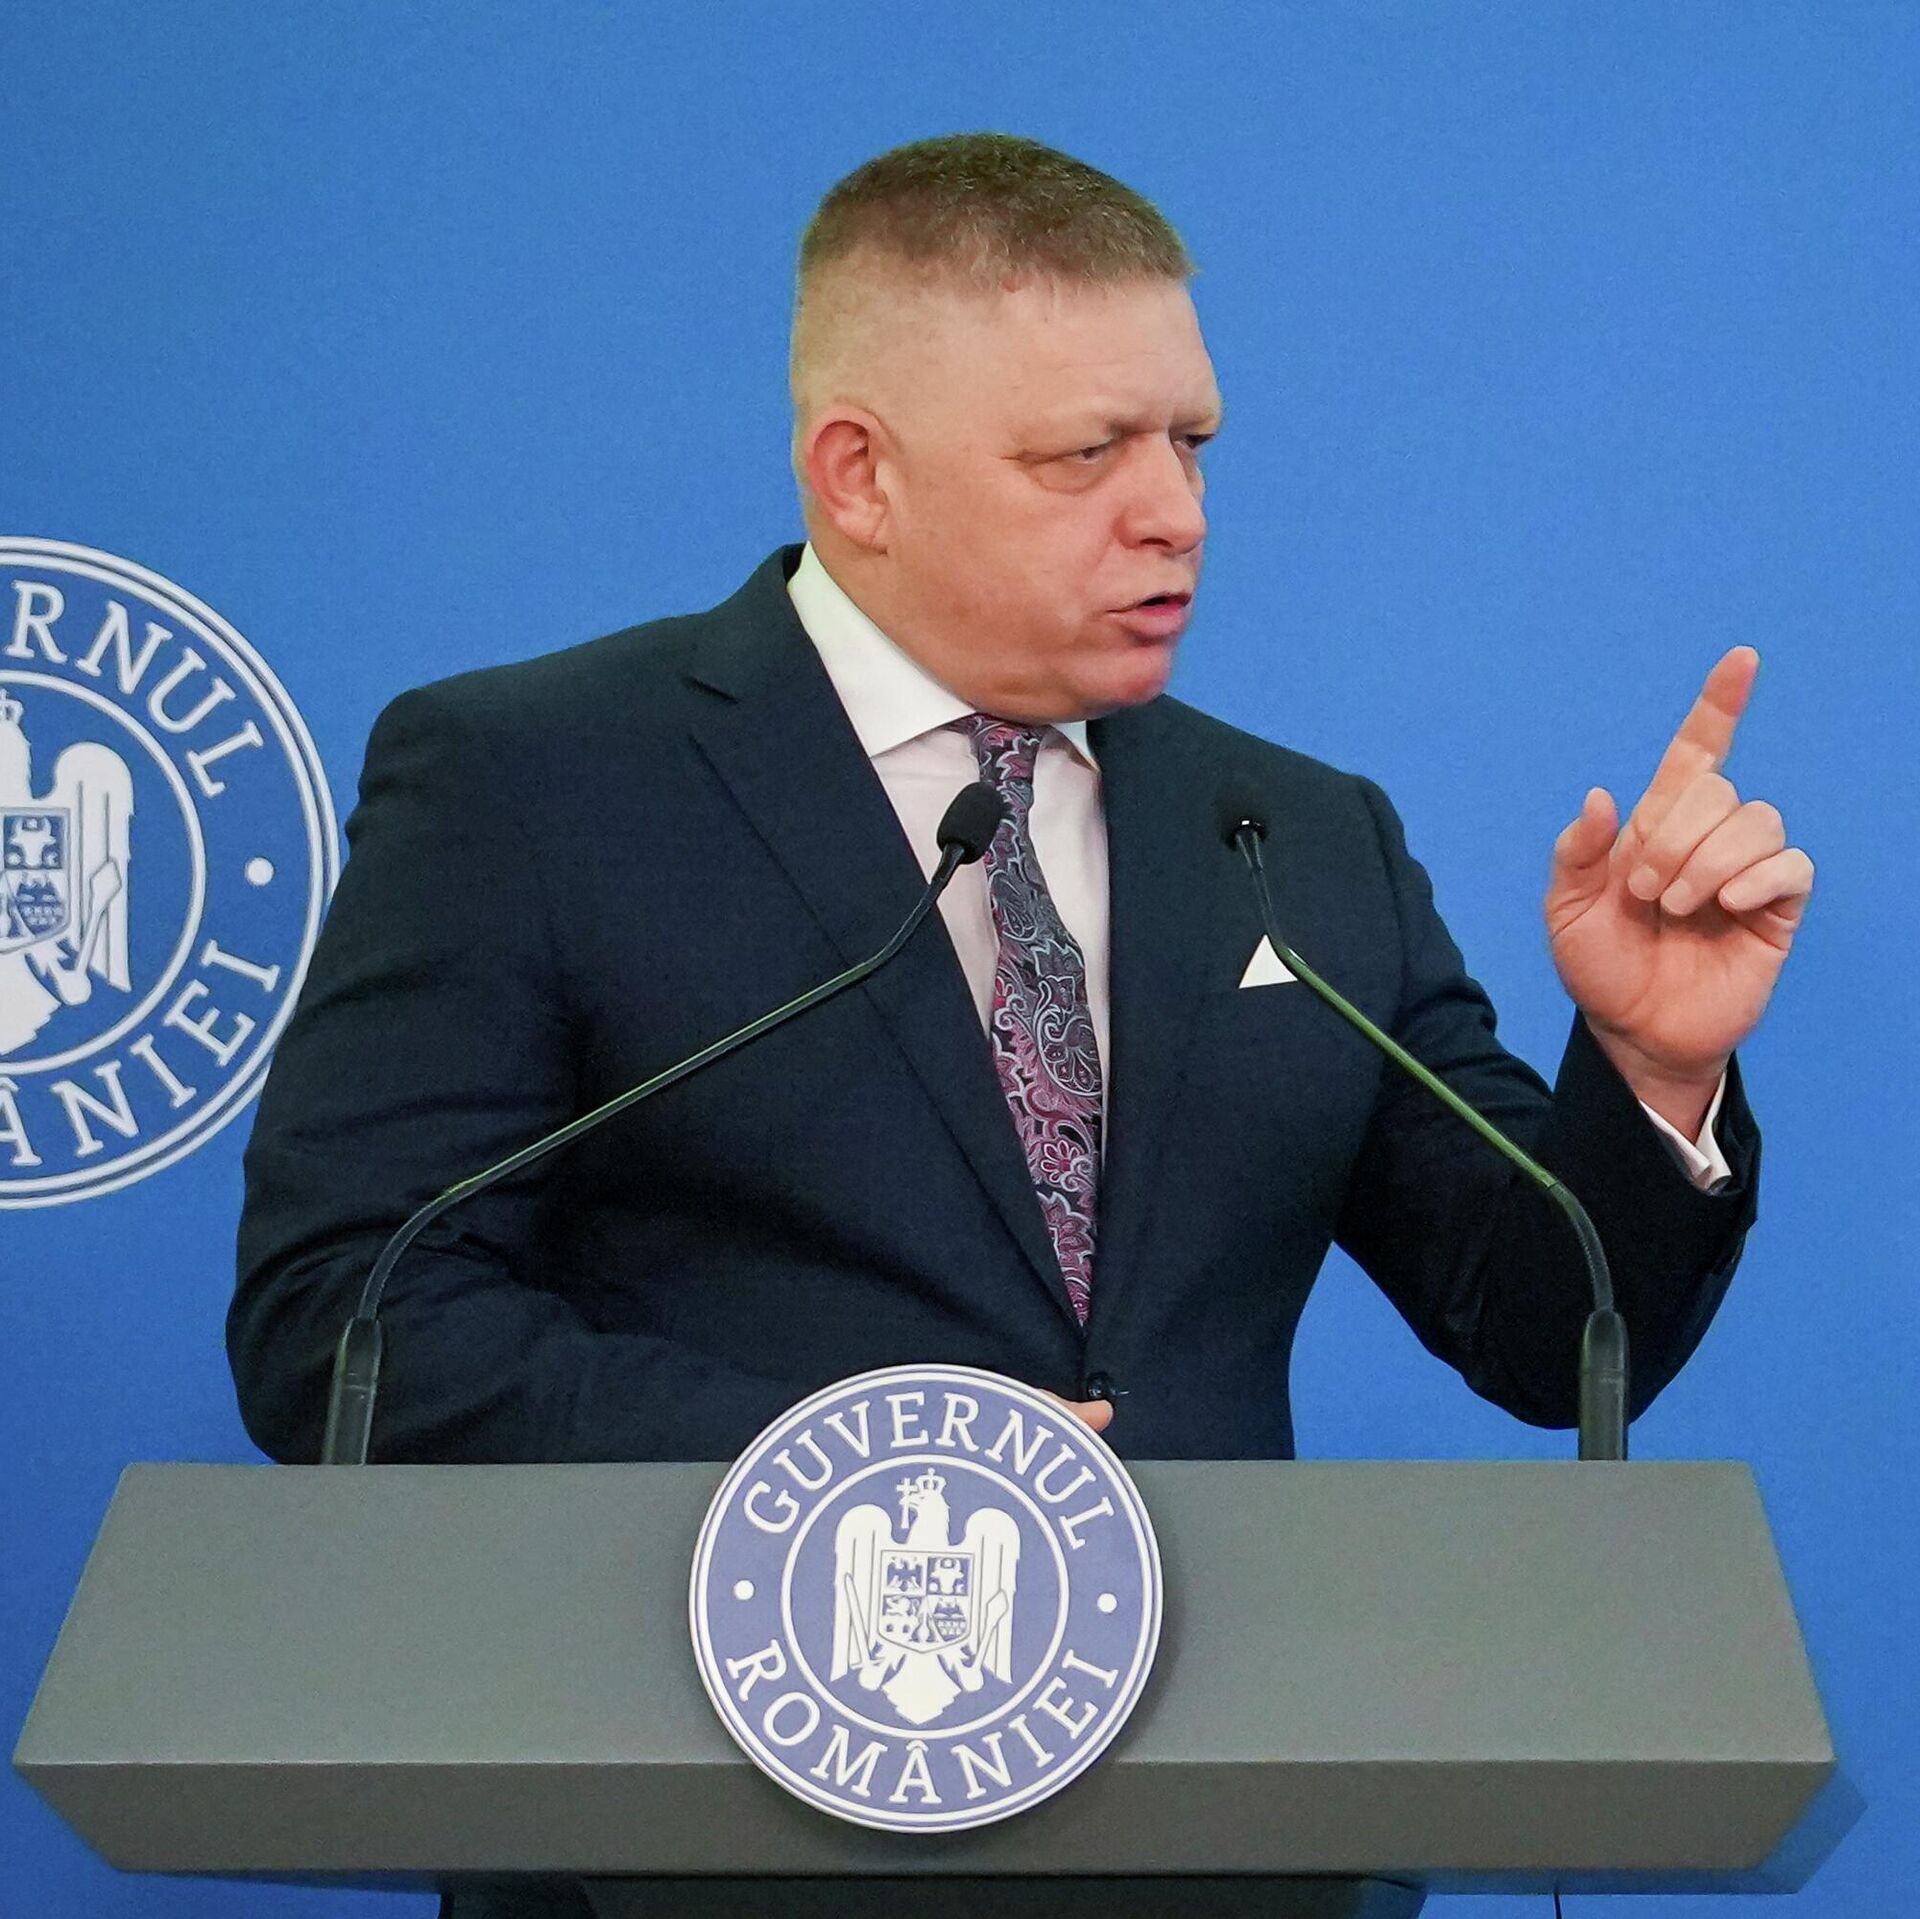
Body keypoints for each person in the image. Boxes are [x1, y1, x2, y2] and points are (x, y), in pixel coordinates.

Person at [229, 133, 1810, 1912]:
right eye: (1088, 454)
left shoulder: (1298, 833)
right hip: (707, 1847)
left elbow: (1543, 1328)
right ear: (861, 475)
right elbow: (348, 1323)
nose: (1176, 512)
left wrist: (1656, 1068)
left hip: (1230, 1859)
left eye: (1192, 442)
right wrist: (881, 1465)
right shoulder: (537, 783)